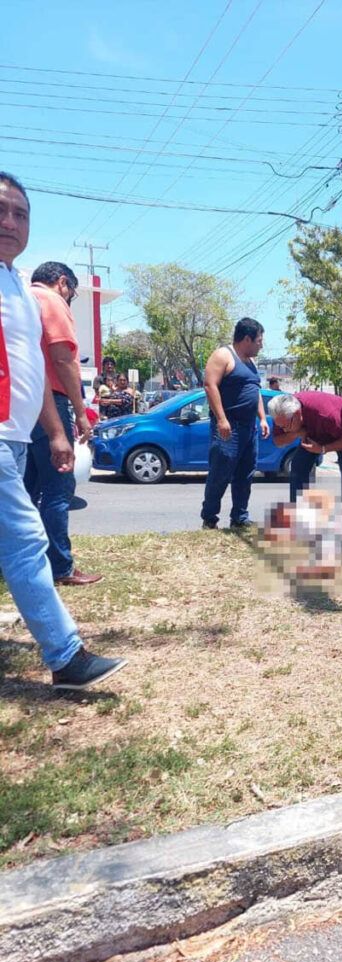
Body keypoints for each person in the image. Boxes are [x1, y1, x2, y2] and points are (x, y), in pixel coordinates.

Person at [0, 171, 125, 689]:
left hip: (15, 431)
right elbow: (61, 359)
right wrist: (79, 410)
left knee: (21, 541)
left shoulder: (17, 286)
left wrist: (53, 429)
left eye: (20, 213)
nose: (10, 221)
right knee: (27, 541)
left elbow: (33, 368)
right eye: (1, 210)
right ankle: (66, 657)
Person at [23, 261, 101, 586]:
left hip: (20, 403)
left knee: (26, 487)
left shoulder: (22, 298)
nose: (71, 298)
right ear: (63, 282)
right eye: (73, 292)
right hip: (49, 402)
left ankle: (23, 560)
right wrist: (81, 412)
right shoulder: (52, 301)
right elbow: (62, 358)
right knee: (59, 486)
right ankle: (61, 567)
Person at [200, 317, 269, 529]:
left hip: (249, 428)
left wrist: (263, 418)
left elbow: (254, 391)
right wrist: (221, 419)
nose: (261, 344)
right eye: (259, 340)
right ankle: (209, 518)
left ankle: (239, 517)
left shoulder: (251, 362)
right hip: (229, 429)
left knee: (245, 474)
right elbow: (210, 385)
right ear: (247, 339)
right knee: (220, 474)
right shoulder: (223, 355)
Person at [269, 391, 342, 504]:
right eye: (280, 426)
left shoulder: (327, 414)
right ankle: (299, 509)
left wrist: (323, 448)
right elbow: (278, 441)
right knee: (298, 465)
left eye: (286, 426)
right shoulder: (281, 414)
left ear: (297, 414)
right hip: (316, 426)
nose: (285, 430)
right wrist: (296, 433)